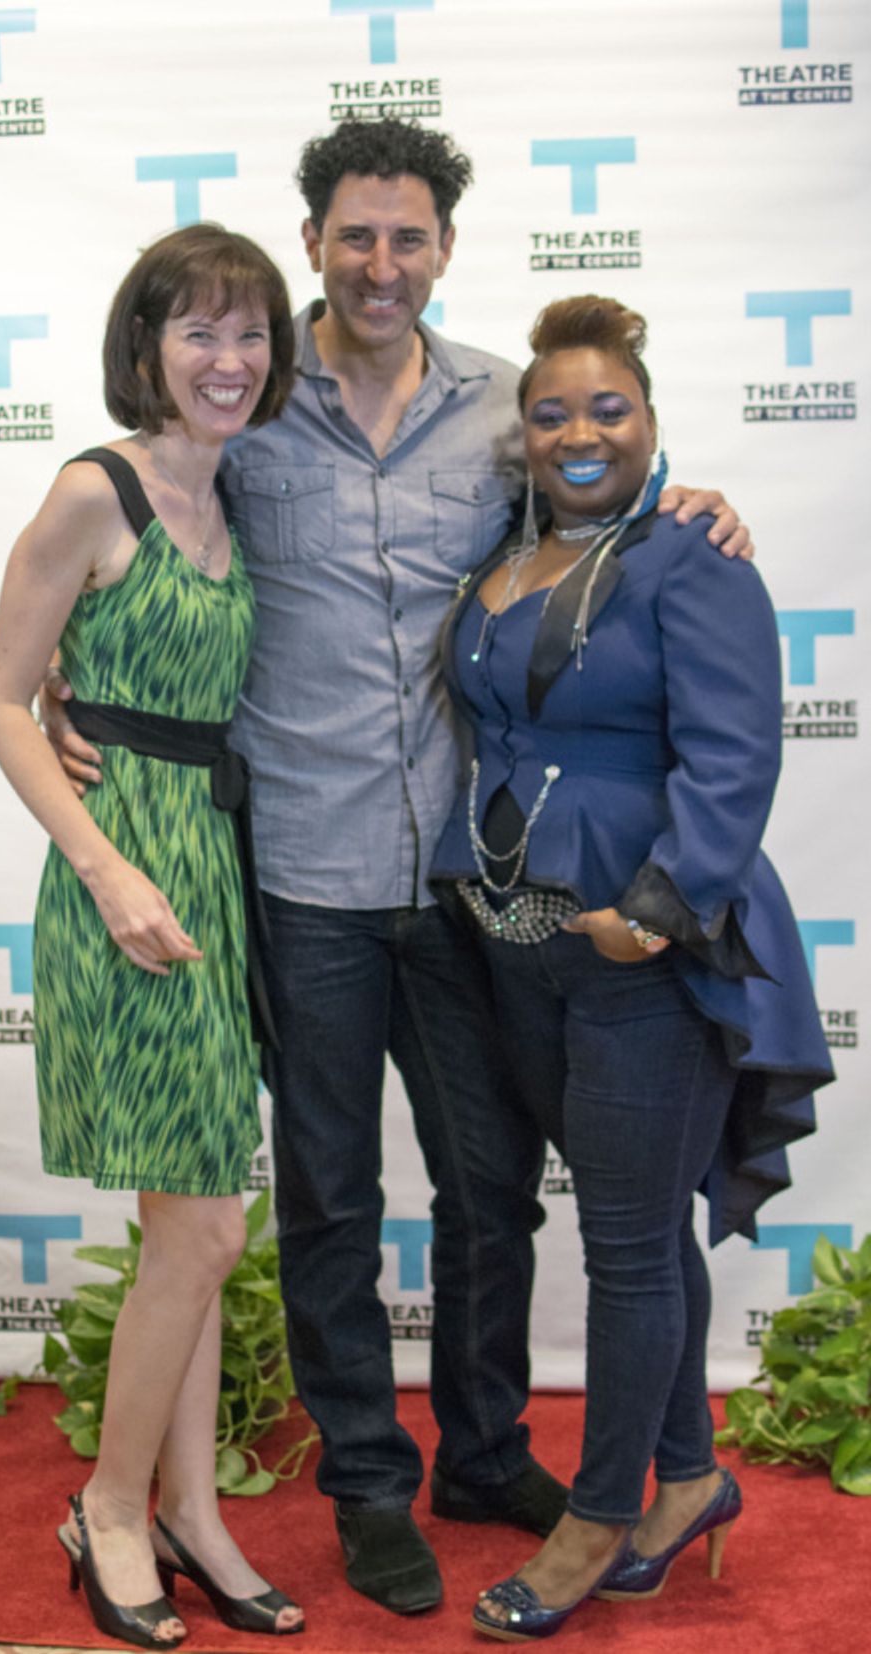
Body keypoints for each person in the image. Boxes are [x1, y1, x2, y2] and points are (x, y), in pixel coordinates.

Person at [47, 118, 751, 1616]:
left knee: (493, 1187)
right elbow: (144, 550)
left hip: (468, 878)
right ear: (313, 242)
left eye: (409, 237)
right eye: (355, 236)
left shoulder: (505, 407)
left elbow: (599, 511)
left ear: (442, 248)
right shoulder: (245, 403)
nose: (382, 263)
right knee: (330, 1197)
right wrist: (68, 691)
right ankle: (367, 1483)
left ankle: (482, 1452)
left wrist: (695, 503)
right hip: (297, 870)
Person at [427, 295, 831, 1642]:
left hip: (644, 953)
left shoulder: (692, 559)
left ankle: (598, 1517)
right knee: (644, 1224)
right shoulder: (506, 551)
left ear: (651, 420)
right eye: (551, 413)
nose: (580, 432)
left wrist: (652, 912)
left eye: (608, 408)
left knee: (626, 1248)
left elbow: (736, 757)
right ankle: (694, 1475)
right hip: (522, 948)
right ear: (524, 434)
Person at [0, 223, 305, 1648]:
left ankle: (193, 1512)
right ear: (146, 346)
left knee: (194, 1224)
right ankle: (110, 1507)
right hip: (125, 887)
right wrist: (105, 869)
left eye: (251, 334)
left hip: (212, 873)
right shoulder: (89, 491)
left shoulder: (233, 493)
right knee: (208, 1223)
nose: (228, 360)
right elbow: (1, 699)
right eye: (199, 332)